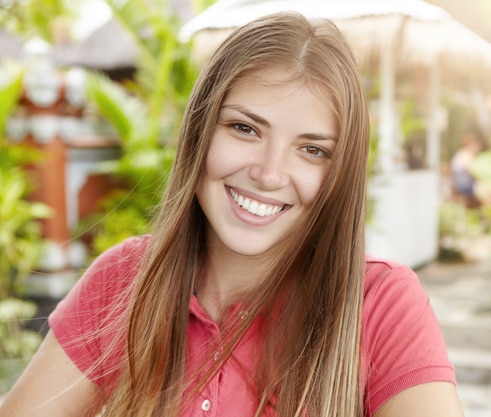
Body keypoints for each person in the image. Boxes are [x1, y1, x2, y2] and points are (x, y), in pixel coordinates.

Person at [0, 12, 464, 417]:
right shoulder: (125, 280)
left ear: (339, 173)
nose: (268, 173)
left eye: (311, 149)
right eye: (244, 128)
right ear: (201, 130)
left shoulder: (380, 305)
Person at [450, 132, 482, 208]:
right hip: (464, 185)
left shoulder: (461, 153)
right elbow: (473, 172)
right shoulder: (466, 154)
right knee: (486, 190)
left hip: (457, 185)